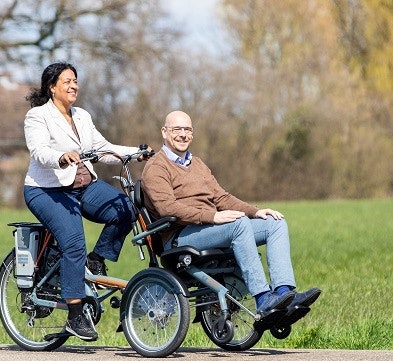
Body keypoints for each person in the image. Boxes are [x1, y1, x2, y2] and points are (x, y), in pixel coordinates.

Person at [141, 110, 320, 324]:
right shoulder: (156, 167)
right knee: (238, 224)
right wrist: (212, 217)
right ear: (164, 132)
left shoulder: (197, 164)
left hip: (207, 229)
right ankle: (263, 298)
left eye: (187, 130)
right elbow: (167, 209)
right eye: (177, 129)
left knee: (275, 223)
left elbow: (222, 197)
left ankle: (283, 294)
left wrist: (255, 211)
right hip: (178, 236)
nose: (182, 135)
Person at [23, 62, 151, 341]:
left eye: (76, 81)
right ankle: (75, 315)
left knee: (126, 209)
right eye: (67, 81)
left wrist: (135, 153)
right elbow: (39, 150)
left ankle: (96, 260)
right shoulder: (37, 116)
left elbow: (103, 149)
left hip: (84, 186)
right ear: (52, 87)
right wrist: (61, 156)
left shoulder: (82, 116)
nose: (73, 86)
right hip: (48, 190)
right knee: (73, 243)